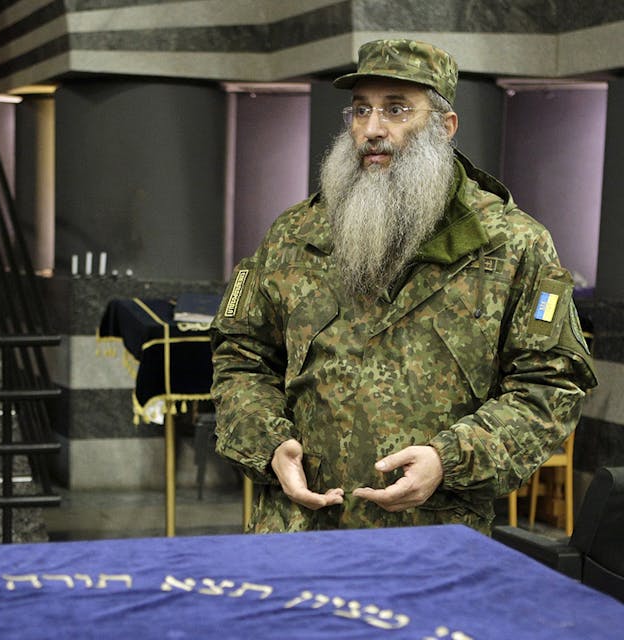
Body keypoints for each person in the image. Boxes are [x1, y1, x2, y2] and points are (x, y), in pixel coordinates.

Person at [209, 39, 597, 535]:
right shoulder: (295, 235)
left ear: (445, 126)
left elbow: (549, 384)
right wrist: (268, 444)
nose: (372, 129)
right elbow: (241, 356)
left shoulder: (513, 245)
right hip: (296, 532)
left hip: (432, 538)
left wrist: (448, 458)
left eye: (396, 109)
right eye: (361, 110)